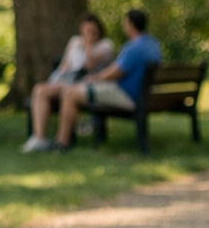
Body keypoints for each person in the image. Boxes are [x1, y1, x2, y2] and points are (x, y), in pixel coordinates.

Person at [48, 9, 162, 152]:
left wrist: (95, 78)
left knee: (71, 93)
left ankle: (62, 143)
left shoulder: (134, 48)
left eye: (125, 23)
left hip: (127, 95)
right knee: (74, 90)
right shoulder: (153, 44)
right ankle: (73, 135)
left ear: (131, 25)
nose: (124, 26)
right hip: (142, 95)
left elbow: (115, 72)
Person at [21, 13, 116, 152]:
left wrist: (88, 44)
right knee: (39, 89)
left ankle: (60, 141)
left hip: (83, 83)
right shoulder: (75, 41)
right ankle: (39, 138)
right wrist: (60, 75)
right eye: (86, 30)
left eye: (92, 31)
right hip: (66, 80)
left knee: (59, 92)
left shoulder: (105, 45)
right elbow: (64, 64)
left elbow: (89, 64)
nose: (88, 33)